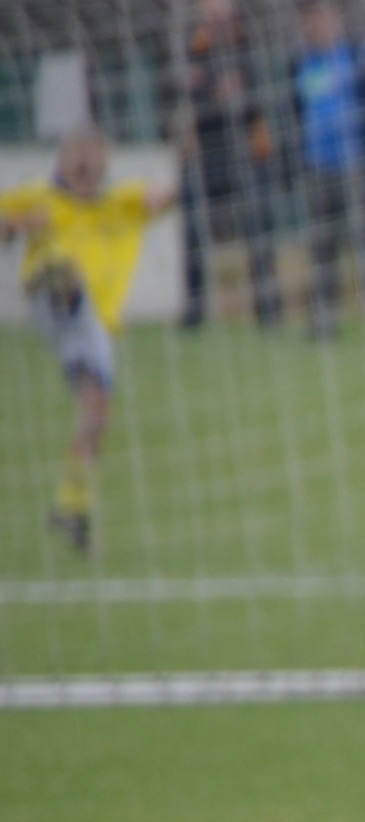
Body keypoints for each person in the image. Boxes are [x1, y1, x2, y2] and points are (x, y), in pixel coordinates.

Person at [4, 126, 173, 556]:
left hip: (96, 327)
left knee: (96, 414)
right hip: (56, 309)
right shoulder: (39, 195)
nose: (86, 164)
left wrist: (164, 193)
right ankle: (58, 284)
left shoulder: (120, 199)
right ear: (62, 159)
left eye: (94, 157)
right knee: (63, 269)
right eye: (78, 155)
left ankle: (71, 507)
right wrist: (18, 223)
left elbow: (162, 194)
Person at [286, 2, 365, 340]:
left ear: (336, 19)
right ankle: (323, 322)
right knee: (322, 248)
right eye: (308, 20)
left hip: (356, 164)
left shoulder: (359, 55)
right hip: (318, 167)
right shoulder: (301, 61)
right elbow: (296, 111)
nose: (314, 26)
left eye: (320, 18)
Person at [177, 0, 281, 330]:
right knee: (193, 230)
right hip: (206, 152)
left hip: (245, 152)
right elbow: (186, 95)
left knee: (258, 229)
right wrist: (215, 92)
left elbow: (260, 97)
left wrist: (237, 95)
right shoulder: (194, 48)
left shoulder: (249, 46)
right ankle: (194, 311)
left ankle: (268, 310)